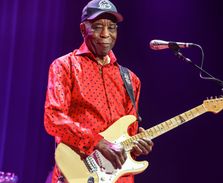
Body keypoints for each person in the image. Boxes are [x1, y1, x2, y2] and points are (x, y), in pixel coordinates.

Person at [43, 0, 154, 182]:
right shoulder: (65, 66)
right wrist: (97, 142)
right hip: (77, 173)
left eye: (112, 27)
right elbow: (53, 118)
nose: (105, 34)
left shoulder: (130, 79)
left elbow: (128, 136)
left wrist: (137, 145)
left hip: (119, 177)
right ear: (82, 29)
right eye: (97, 27)